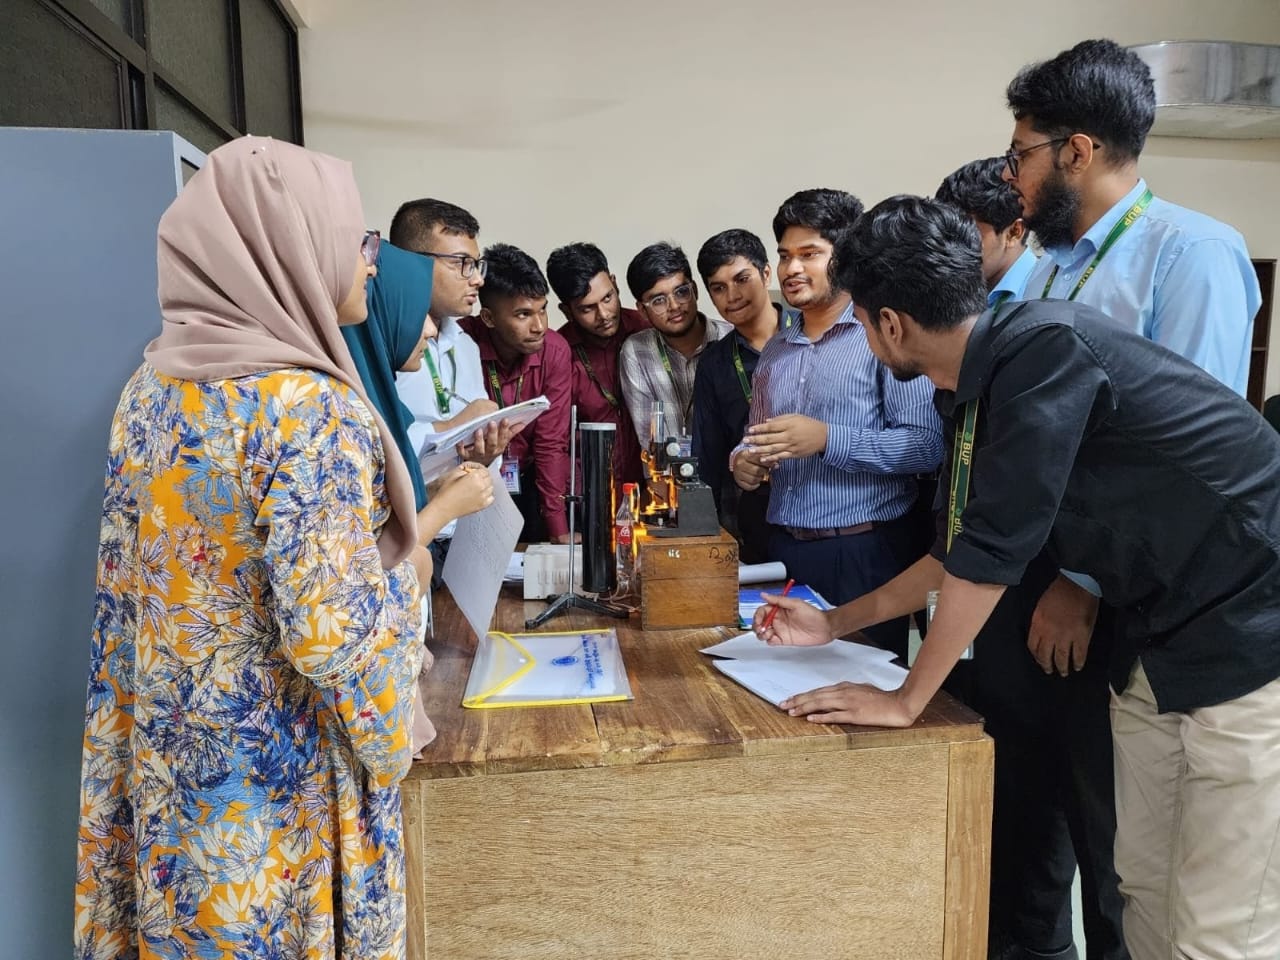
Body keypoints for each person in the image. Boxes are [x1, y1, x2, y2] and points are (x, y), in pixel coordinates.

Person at [756, 195, 1280, 960]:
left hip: (1249, 630)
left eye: (860, 321)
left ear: (889, 324)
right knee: (1144, 888)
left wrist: (908, 700)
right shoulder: (969, 387)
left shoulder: (1044, 350)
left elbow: (990, 556)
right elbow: (955, 551)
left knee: (1222, 923)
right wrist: (833, 623)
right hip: (1154, 635)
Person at [76, 137, 430, 958]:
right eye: (356, 239)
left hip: (171, 771)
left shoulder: (150, 388)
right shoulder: (310, 409)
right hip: (278, 796)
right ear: (291, 246)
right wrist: (406, 586)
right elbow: (333, 636)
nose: (369, 263)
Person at [1000, 38, 1264, 960]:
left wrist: (1078, 584)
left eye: (1021, 154)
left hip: (1149, 595)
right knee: (1108, 857)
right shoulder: (1044, 266)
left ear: (1075, 151)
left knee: (1171, 881)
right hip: (1063, 574)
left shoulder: (1190, 253)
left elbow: (1189, 461)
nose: (1011, 176)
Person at [936, 157, 1089, 960]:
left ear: (1013, 230)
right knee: (1005, 781)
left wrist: (1077, 582)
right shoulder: (980, 317)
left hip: (1049, 577)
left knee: (1048, 800)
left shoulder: (1043, 316)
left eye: (964, 237)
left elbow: (1076, 476)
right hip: (990, 571)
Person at [733, 189, 942, 656]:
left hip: (863, 552)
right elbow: (755, 437)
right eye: (784, 255)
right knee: (782, 682)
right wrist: (743, 461)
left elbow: (925, 446)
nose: (791, 269)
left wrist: (828, 439)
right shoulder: (777, 349)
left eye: (809, 254)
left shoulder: (884, 336)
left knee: (858, 685)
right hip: (783, 550)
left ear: (844, 258)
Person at [389, 199, 519, 575]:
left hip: (462, 532)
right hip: (407, 534)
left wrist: (486, 451)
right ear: (413, 263)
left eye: (477, 264)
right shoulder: (384, 344)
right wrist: (455, 425)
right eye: (462, 263)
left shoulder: (465, 345)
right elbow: (380, 449)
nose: (476, 279)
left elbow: (469, 457)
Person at [691, 228, 795, 562]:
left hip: (828, 504)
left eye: (741, 279)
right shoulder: (714, 363)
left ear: (766, 274)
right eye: (718, 288)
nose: (732, 295)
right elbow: (707, 457)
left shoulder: (810, 332)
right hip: (759, 512)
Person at [461, 243, 574, 543]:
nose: (539, 326)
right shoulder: (461, 343)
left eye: (542, 309)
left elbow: (551, 442)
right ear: (488, 318)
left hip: (531, 482)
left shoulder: (555, 351)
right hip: (470, 481)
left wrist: (558, 528)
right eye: (523, 314)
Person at [547, 242, 650, 491]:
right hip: (591, 493)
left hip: (653, 486)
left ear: (614, 283)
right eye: (587, 308)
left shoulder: (646, 330)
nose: (603, 314)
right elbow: (555, 441)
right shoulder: (559, 354)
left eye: (607, 298)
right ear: (567, 311)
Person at [619, 242, 730, 446]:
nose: (674, 306)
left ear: (695, 290)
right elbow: (649, 443)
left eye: (681, 292)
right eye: (658, 300)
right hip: (666, 465)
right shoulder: (636, 351)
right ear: (642, 311)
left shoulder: (730, 338)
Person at [936, 157, 1037, 311]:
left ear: (1014, 232)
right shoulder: (950, 293)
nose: (949, 249)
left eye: (966, 236)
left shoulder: (1047, 294)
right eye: (945, 235)